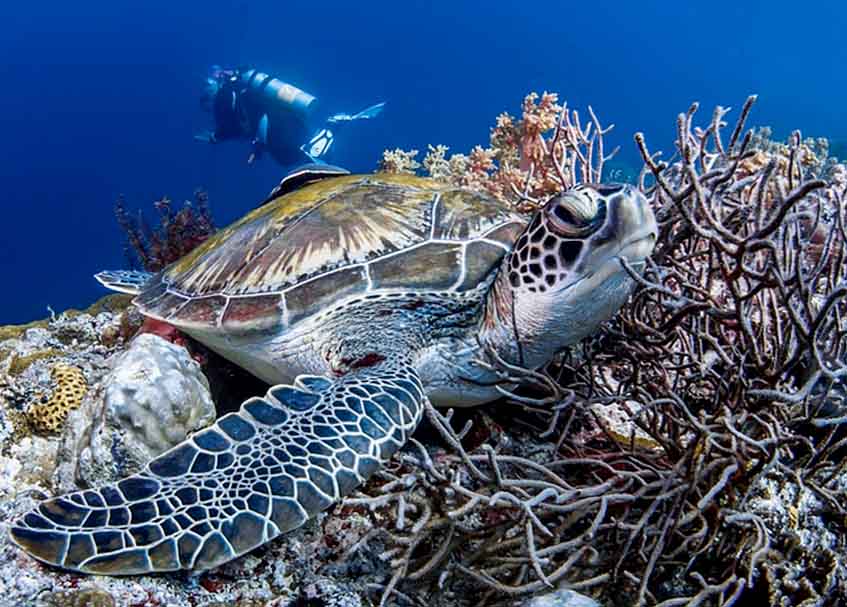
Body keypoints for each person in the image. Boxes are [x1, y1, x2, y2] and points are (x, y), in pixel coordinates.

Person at [196, 65, 385, 167]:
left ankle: (330, 129)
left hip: (274, 123)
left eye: (206, 98)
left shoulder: (224, 96)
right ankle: (329, 131)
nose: (209, 105)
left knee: (291, 155)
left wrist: (216, 138)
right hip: (286, 117)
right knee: (294, 155)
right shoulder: (236, 91)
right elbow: (242, 124)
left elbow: (240, 123)